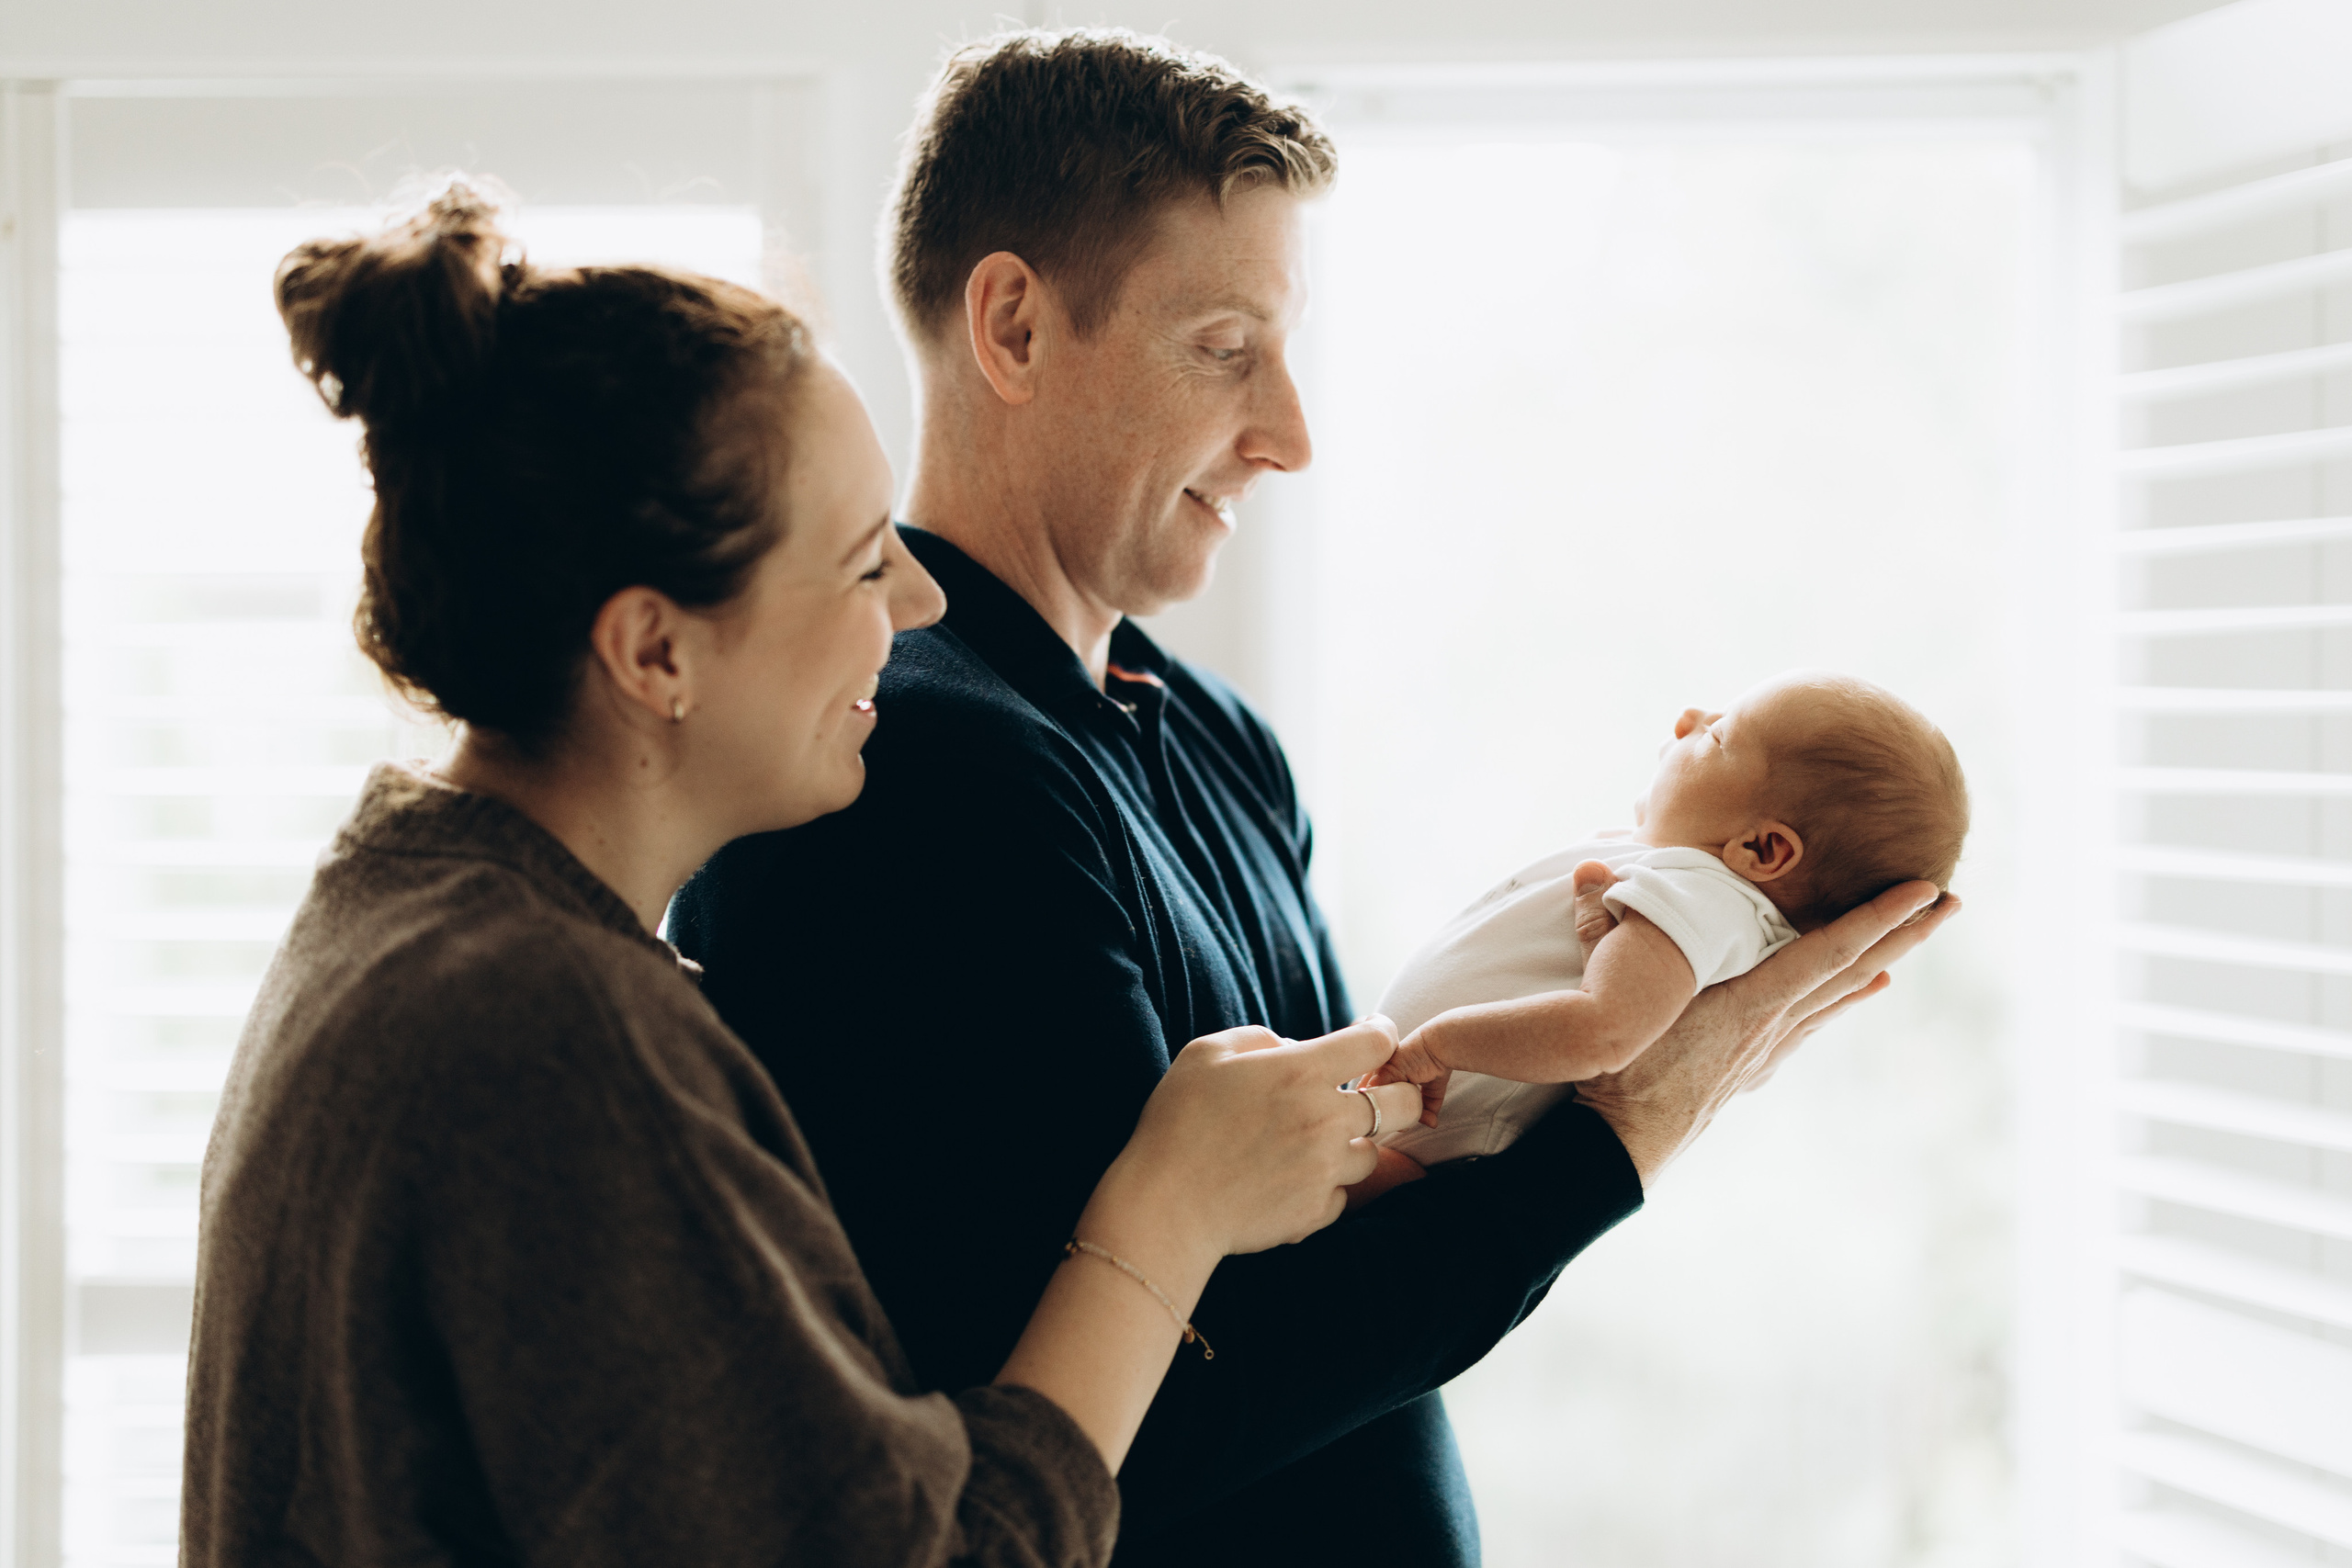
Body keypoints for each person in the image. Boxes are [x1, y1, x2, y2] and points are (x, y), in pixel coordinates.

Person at [670, 28, 1960, 1566]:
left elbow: (1350, 1234)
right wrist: (1628, 1125)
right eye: (1224, 347)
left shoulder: (1217, 740)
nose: (1289, 433)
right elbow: (1127, 1424)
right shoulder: (911, 769)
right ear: (1012, 325)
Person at [179, 181, 1426, 1568]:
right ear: (657, 653)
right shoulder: (549, 1032)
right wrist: (1168, 1206)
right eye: (855, 561)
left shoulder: (416, 926)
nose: (919, 602)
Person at [1364, 672, 1970, 1167]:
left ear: (1762, 850)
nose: (1689, 718)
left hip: (1433, 1137)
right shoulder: (1695, 898)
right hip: (1410, 1120)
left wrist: (1441, 1044)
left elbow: (1603, 1032)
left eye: (1718, 735)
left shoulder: (1705, 900)